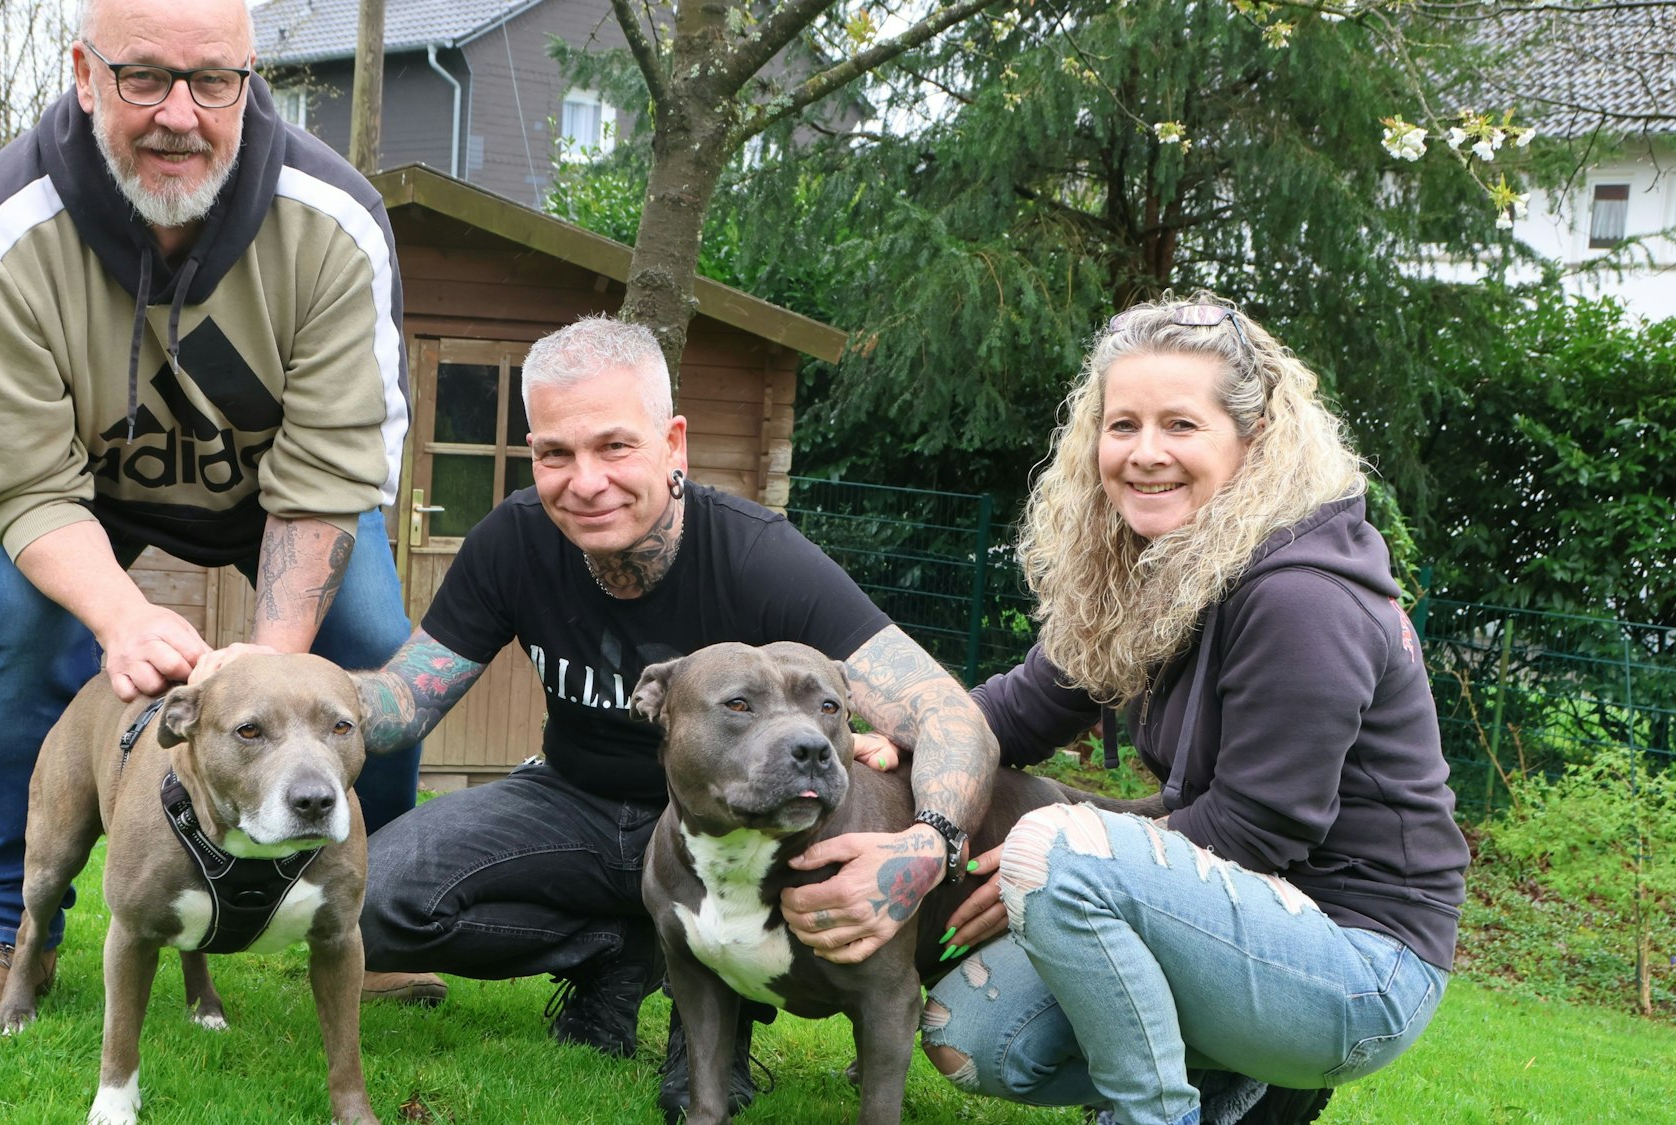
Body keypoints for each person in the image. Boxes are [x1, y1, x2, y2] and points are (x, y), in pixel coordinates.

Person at [198, 315, 998, 1119]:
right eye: (555, 452)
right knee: (374, 899)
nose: (584, 480)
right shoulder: (513, 539)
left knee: (702, 1054)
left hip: (727, 828)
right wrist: (266, 691)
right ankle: (617, 947)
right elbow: (405, 701)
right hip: (570, 800)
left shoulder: (759, 557)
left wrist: (928, 844)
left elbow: (951, 716)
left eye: (615, 446)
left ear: (673, 443)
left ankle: (724, 1008)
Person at [0, 0, 418, 1042]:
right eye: (143, 77)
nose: (180, 114)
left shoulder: (332, 220)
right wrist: (121, 619)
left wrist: (265, 668)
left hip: (283, 490)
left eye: (213, 80)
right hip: (82, 495)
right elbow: (21, 481)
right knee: (15, 636)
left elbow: (327, 474)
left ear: (249, 77)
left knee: (372, 651)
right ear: (84, 72)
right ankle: (4, 925)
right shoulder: (3, 235)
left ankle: (374, 909)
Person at [880, 295, 1467, 1125]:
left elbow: (1257, 828)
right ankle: (1249, 1080)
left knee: (1058, 847)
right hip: (1238, 927)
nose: (1145, 453)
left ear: (1253, 440)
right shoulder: (1168, 567)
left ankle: (1152, 1114)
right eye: (1123, 425)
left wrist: (1049, 861)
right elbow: (1024, 709)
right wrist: (902, 738)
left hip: (1360, 966)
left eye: (1180, 425)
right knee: (976, 1035)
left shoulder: (1301, 596)